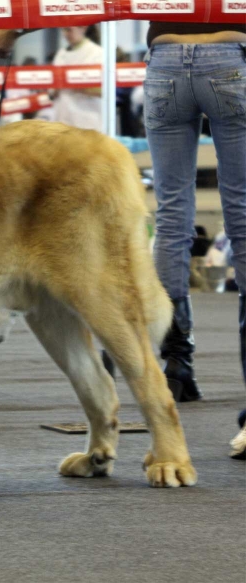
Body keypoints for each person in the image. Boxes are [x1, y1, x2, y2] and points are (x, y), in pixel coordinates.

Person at [143, 22, 246, 454]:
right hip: (229, 52)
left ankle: (176, 360)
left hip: (165, 57)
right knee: (242, 218)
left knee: (171, 216)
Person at [50, 26, 103, 131]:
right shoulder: (60, 55)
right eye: (63, 30)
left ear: (83, 28)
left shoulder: (97, 53)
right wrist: (55, 88)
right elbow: (52, 91)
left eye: (69, 30)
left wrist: (71, 84)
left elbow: (103, 91)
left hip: (87, 122)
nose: (65, 34)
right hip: (62, 121)